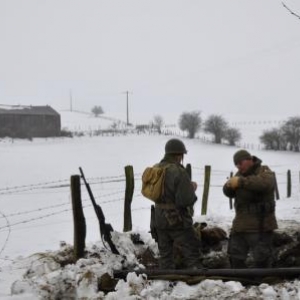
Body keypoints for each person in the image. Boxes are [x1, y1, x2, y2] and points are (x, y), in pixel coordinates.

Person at [223, 149, 278, 269]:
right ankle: (240, 282)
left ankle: (263, 283)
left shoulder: (264, 171)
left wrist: (241, 182)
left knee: (262, 259)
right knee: (235, 256)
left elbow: (265, 184)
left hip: (260, 225)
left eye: (240, 163)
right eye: (236, 164)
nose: (238, 166)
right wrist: (228, 186)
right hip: (240, 225)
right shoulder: (239, 175)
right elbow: (229, 192)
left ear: (249, 160)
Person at [154, 138, 202, 269]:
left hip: (158, 218)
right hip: (176, 219)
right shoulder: (178, 171)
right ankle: (197, 281)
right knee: (191, 251)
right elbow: (186, 200)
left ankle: (166, 282)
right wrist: (191, 189)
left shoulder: (156, 168)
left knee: (165, 255)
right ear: (179, 155)